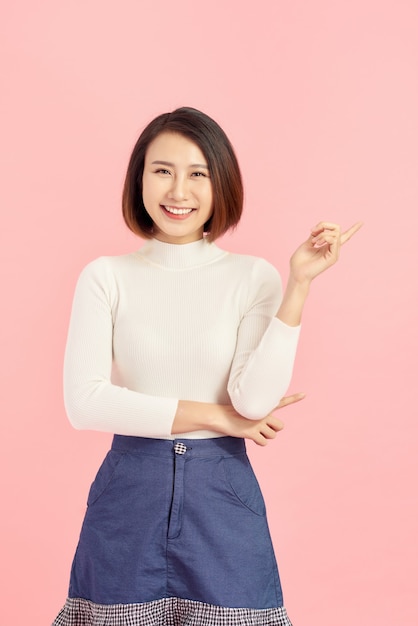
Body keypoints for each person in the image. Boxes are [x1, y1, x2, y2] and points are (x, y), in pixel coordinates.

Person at [52, 107, 361, 626]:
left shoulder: (254, 277)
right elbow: (84, 403)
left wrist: (299, 284)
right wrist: (218, 417)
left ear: (221, 184)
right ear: (139, 179)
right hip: (130, 493)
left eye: (198, 174)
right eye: (162, 171)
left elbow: (253, 402)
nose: (179, 192)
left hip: (223, 495)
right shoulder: (105, 277)